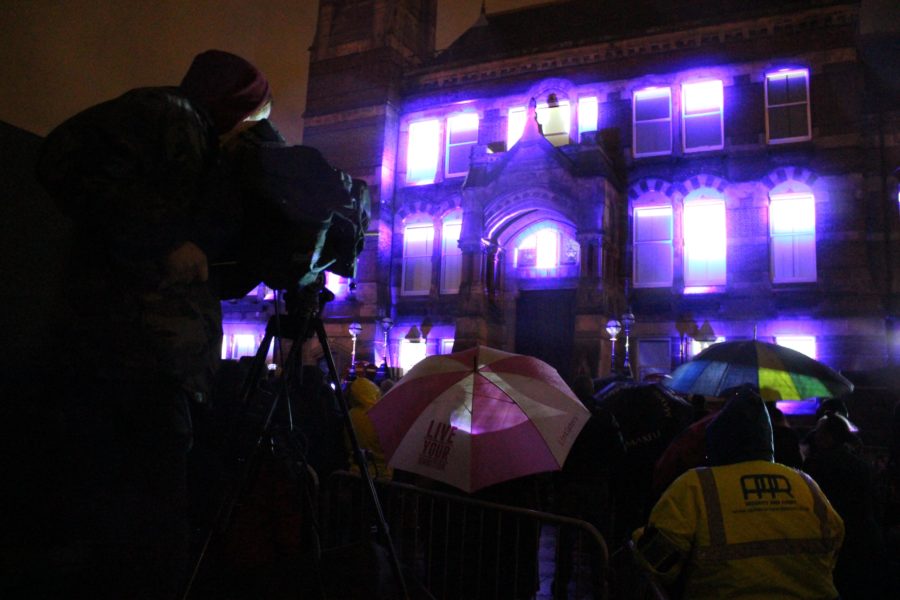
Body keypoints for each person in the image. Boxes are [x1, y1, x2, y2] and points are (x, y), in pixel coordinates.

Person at [35, 49, 274, 600]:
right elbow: (61, 159)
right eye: (253, 116)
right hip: (124, 356)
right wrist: (162, 236)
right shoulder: (166, 112)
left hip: (157, 364)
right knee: (142, 530)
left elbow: (211, 266)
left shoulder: (204, 150)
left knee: (150, 528)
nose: (252, 132)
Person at [633, 386, 844, 599]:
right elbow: (835, 539)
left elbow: (658, 563)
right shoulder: (805, 484)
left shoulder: (696, 485)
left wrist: (640, 537)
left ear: (717, 442)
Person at [803, 413, 891, 599]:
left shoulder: (816, 467)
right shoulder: (861, 465)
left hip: (838, 546)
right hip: (866, 540)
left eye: (819, 432)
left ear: (827, 436)